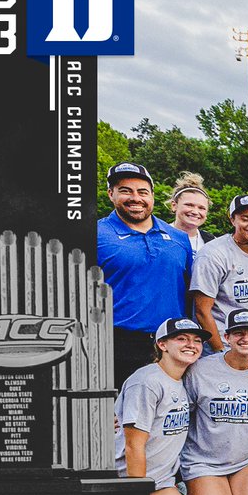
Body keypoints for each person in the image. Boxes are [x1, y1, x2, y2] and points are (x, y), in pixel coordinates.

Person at [115, 316, 210, 495]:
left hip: (162, 481)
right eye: (181, 339)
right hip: (126, 481)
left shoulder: (185, 379)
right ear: (162, 344)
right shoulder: (147, 381)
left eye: (197, 340)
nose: (191, 345)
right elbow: (133, 447)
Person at [97, 162, 193, 388]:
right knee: (117, 419)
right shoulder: (96, 234)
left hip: (171, 342)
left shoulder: (178, 238)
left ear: (152, 195)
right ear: (111, 194)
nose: (135, 198)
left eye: (142, 192)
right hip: (116, 343)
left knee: (169, 415)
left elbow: (189, 291)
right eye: (125, 191)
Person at [180, 309, 248, 495]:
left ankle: (224, 494)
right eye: (238, 333)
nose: (245, 338)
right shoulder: (200, 369)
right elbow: (178, 411)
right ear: (226, 337)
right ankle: (186, 491)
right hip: (203, 461)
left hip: (245, 460)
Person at [190, 195, 248, 357]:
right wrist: (220, 352)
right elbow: (202, 311)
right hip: (223, 344)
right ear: (232, 219)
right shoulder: (213, 254)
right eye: (245, 219)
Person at [167, 173, 215, 253]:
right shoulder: (158, 236)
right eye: (189, 205)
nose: (195, 212)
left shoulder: (212, 242)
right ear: (174, 206)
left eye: (201, 208)